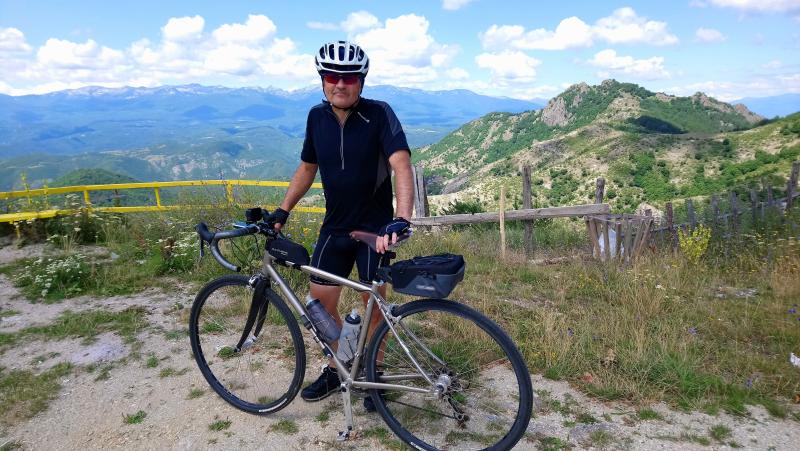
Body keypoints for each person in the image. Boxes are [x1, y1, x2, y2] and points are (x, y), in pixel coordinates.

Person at [267, 41, 414, 412]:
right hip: (335, 228)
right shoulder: (316, 118)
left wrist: (403, 217)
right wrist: (283, 210)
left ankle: (375, 373)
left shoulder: (379, 114)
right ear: (322, 80)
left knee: (373, 307)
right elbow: (307, 168)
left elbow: (401, 164)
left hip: (375, 230)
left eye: (349, 77)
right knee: (319, 304)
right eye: (332, 76)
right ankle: (338, 366)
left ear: (361, 81)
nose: (340, 84)